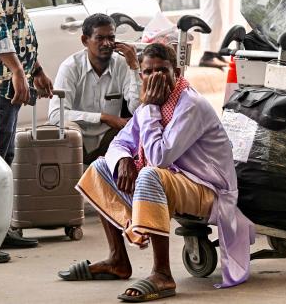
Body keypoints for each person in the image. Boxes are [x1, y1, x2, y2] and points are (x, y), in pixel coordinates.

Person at [57, 43, 254, 300]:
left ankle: (162, 274)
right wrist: (124, 159)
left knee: (151, 174)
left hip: (209, 189)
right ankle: (118, 260)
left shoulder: (188, 104)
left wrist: (149, 107)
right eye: (148, 72)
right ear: (141, 75)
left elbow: (160, 157)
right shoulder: (150, 102)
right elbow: (120, 142)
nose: (155, 78)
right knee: (101, 167)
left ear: (177, 72)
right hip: (177, 179)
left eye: (162, 71)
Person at [0, 0, 54, 262]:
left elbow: (15, 27)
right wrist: (16, 70)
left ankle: (1, 229)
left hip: (10, 78)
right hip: (0, 81)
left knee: (5, 156)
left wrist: (34, 68)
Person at [48, 13, 141, 164]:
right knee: (66, 133)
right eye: (99, 38)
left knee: (136, 127)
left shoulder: (122, 64)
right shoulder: (70, 67)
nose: (106, 43)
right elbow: (56, 115)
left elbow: (136, 110)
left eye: (111, 38)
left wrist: (134, 67)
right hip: (77, 140)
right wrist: (103, 117)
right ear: (85, 40)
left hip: (111, 139)